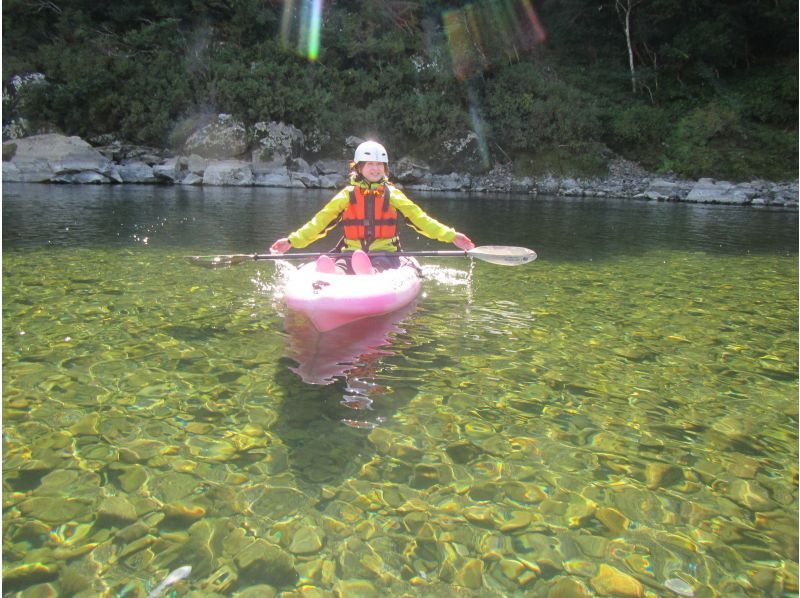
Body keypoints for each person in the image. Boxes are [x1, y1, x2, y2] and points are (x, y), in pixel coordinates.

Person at [270, 140, 474, 273]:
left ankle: (368, 274)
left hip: (385, 254)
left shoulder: (393, 195)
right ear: (359, 168)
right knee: (342, 265)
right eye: (370, 164)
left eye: (379, 165)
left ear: (385, 169)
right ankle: (330, 275)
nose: (375, 168)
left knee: (378, 265)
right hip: (350, 253)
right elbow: (319, 223)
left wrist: (451, 236)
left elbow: (422, 220)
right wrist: (291, 241)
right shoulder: (347, 196)